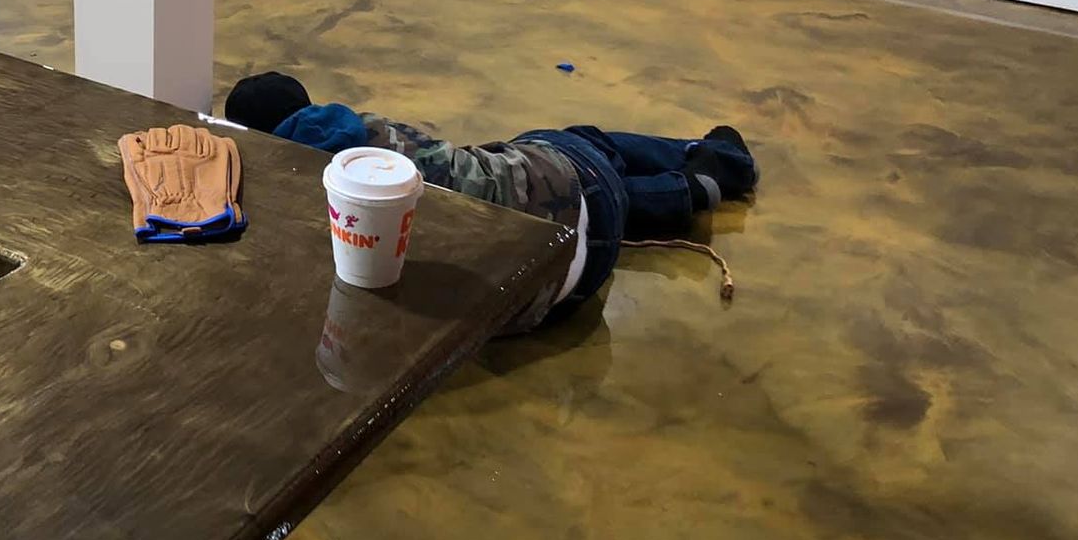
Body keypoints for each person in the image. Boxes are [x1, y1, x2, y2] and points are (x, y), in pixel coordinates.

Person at [225, 71, 757, 330]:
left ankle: (668, 197)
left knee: (552, 183)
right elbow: (456, 164)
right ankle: (706, 168)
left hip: (529, 309)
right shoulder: (373, 141)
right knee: (578, 140)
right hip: (572, 226)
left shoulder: (265, 211)